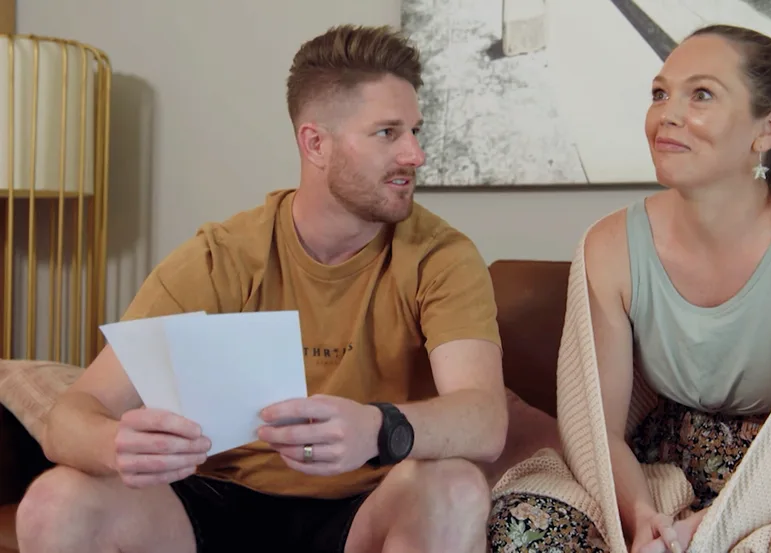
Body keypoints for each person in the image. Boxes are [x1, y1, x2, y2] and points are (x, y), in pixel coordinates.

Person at [16, 24, 508, 553]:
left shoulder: (440, 256)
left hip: (363, 506)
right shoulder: (223, 256)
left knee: (454, 487)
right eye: (388, 133)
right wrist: (114, 444)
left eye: (416, 130)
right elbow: (72, 414)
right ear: (315, 143)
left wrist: (377, 428)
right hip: (215, 502)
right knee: (54, 501)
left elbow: (483, 417)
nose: (415, 154)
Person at [489, 23, 771, 553]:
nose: (666, 113)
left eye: (702, 94)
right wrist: (643, 516)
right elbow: (599, 432)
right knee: (520, 523)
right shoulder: (610, 245)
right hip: (658, 465)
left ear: (768, 129)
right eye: (660, 93)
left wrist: (709, 527)